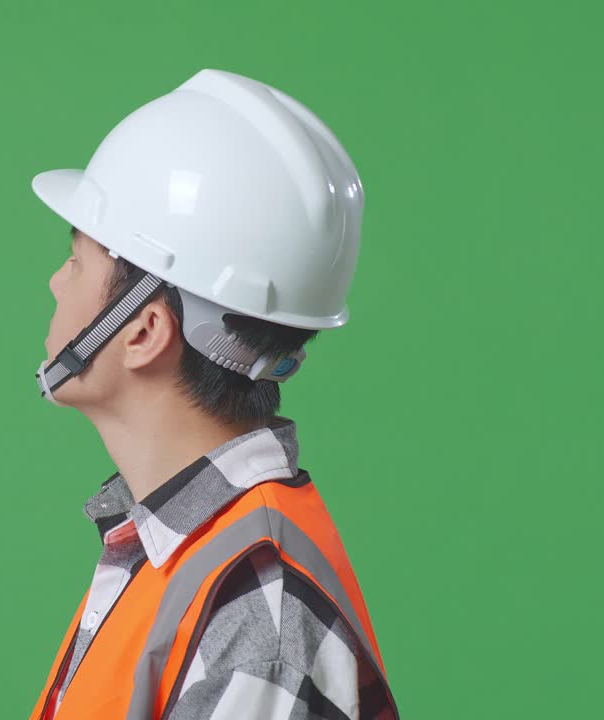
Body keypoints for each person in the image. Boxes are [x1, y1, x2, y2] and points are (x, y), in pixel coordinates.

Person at [28, 68, 399, 720]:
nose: (57, 282)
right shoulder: (174, 549)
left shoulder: (254, 618)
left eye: (77, 259)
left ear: (144, 331)